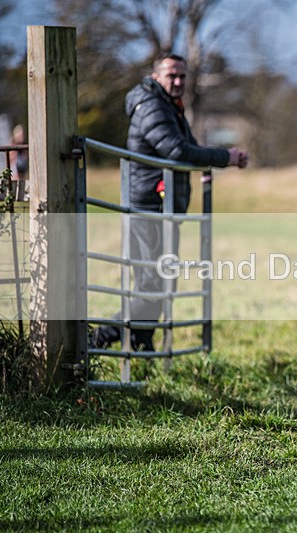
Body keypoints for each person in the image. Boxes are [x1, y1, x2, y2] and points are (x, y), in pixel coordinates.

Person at [93, 54, 249, 352]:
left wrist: (212, 161)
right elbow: (176, 151)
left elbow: (187, 149)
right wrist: (224, 158)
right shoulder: (151, 106)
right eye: (171, 76)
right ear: (155, 76)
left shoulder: (169, 106)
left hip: (165, 206)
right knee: (153, 282)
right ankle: (103, 335)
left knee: (160, 280)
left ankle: (142, 343)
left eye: (182, 76)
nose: (178, 81)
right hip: (149, 206)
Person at [9, 124, 28, 202]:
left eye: (22, 134)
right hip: (15, 175)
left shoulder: (24, 148)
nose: (21, 137)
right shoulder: (12, 147)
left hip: (23, 175)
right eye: (19, 135)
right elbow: (11, 162)